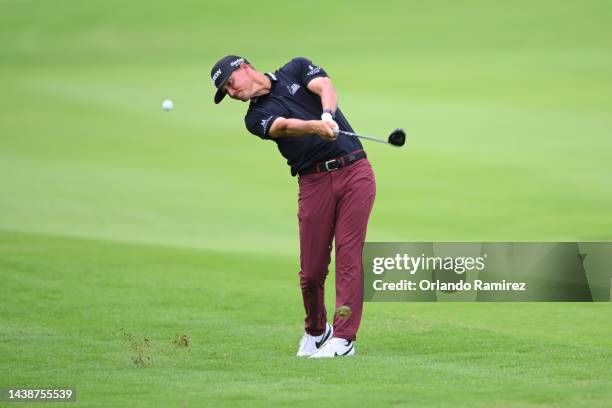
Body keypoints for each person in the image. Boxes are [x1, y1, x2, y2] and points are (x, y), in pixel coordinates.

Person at [210, 55, 376, 358]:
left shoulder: (296, 69)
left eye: (230, 84)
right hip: (313, 182)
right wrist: (315, 126)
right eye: (226, 92)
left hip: (355, 172)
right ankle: (316, 330)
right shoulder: (254, 117)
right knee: (312, 271)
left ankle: (343, 338)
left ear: (244, 67)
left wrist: (328, 114)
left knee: (349, 255)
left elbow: (325, 86)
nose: (232, 93)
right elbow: (283, 127)